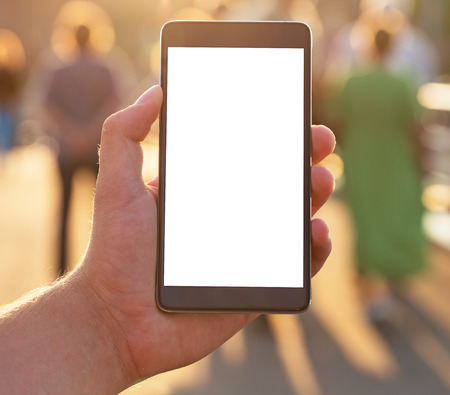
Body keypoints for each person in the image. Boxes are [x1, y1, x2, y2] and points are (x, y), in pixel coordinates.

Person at [0, 85, 335, 393]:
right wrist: (102, 314)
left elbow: (47, 99)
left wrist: (102, 313)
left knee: (63, 215)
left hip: (66, 153)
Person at [330, 29, 426, 319]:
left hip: (361, 163)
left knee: (365, 224)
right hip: (396, 164)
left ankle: (367, 285)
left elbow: (336, 121)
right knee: (394, 219)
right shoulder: (402, 82)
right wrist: (423, 161)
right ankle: (390, 278)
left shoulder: (350, 80)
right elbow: (415, 128)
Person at [44, 24, 120, 276]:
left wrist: (70, 132)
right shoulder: (106, 69)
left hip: (65, 150)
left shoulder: (57, 70)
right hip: (95, 149)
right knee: (102, 214)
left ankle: (59, 272)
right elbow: (114, 102)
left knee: (63, 213)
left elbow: (47, 106)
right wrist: (88, 132)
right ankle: (103, 269)